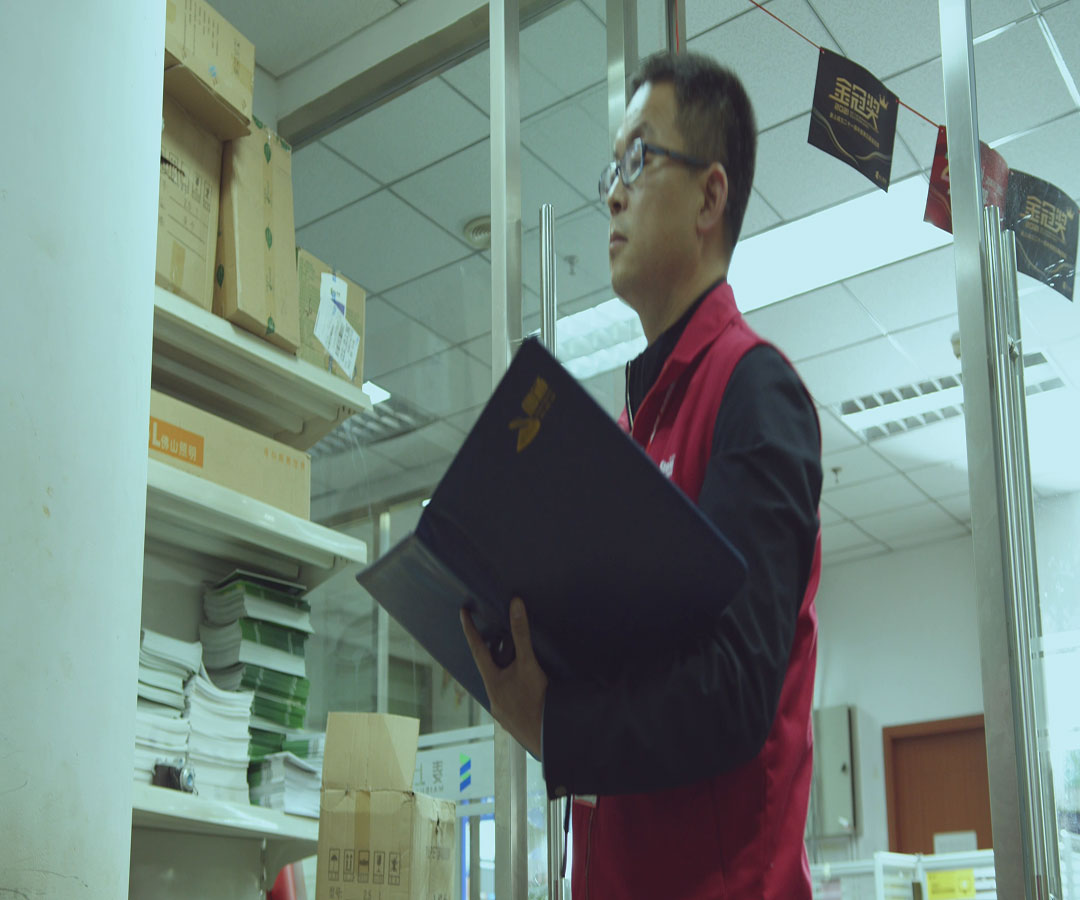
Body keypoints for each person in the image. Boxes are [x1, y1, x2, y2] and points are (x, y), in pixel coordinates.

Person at [461, 51, 823, 899]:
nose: (613, 195)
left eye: (639, 160)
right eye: (611, 170)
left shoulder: (754, 392)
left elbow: (733, 692)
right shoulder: (631, 430)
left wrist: (555, 723)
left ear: (709, 197)